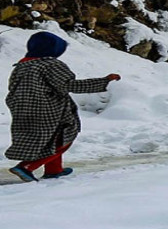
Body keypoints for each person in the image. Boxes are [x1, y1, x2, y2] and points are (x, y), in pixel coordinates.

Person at [6, 31, 120, 182]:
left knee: (50, 139)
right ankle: (27, 166)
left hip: (22, 109)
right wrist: (104, 82)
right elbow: (69, 85)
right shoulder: (51, 64)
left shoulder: (22, 66)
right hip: (48, 110)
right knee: (63, 138)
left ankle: (54, 170)